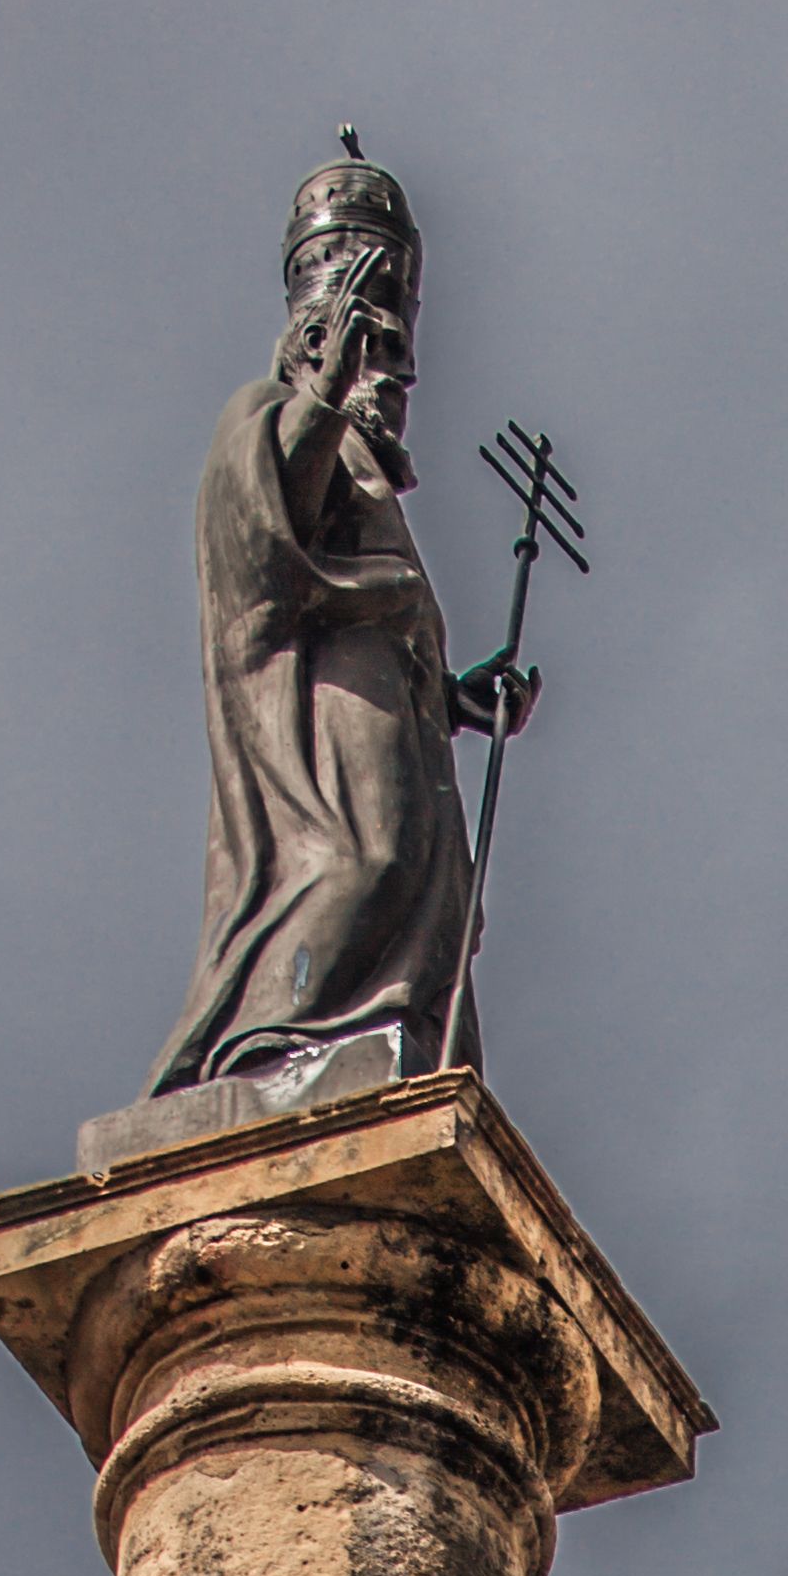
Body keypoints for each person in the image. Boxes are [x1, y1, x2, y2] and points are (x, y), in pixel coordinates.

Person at [148, 138, 537, 1098]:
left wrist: (454, 697)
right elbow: (262, 526)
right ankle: (273, 1045)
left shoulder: (373, 478)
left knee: (431, 887)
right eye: (378, 356)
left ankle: (391, 1033)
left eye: (402, 362)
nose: (394, 382)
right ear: (317, 340)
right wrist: (324, 387)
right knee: (365, 856)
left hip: (393, 705)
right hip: (322, 703)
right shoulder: (270, 412)